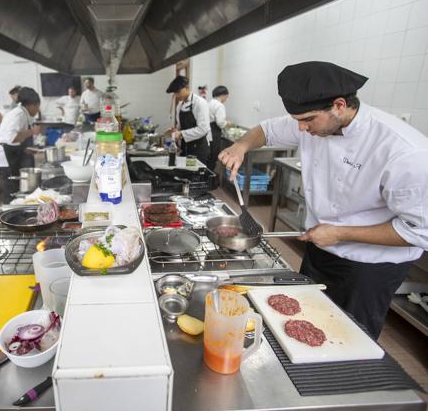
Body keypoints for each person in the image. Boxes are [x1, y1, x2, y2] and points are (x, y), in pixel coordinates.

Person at [219, 61, 428, 338]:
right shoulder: (314, 121)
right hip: (320, 247)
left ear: (339, 105)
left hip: (369, 267)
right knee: (304, 322)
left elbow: (418, 231)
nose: (302, 129)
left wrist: (340, 232)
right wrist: (240, 145)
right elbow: (267, 129)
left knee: (349, 338)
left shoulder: (404, 152)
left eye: (308, 120)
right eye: (298, 121)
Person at [0, 87, 41, 203]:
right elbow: (12, 138)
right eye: (38, 106)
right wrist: (33, 131)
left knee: (16, 190)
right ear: (32, 105)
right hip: (5, 158)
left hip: (12, 154)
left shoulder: (22, 113)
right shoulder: (18, 115)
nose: (38, 110)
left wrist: (26, 149)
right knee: (10, 193)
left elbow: (17, 139)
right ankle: (8, 217)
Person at [164, 75, 211, 165]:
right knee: (185, 174)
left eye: (178, 92)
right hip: (185, 147)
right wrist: (174, 131)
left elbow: (203, 129)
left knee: (196, 175)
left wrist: (181, 133)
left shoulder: (200, 103)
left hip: (199, 148)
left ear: (187, 87)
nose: (177, 95)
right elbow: (180, 127)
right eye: (175, 93)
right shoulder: (180, 105)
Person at [208, 85, 229, 171]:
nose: (226, 99)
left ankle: (207, 176)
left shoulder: (209, 103)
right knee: (213, 155)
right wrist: (227, 123)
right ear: (222, 95)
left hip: (208, 131)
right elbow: (220, 123)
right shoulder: (219, 105)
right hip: (214, 132)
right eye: (226, 97)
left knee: (208, 156)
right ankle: (210, 178)